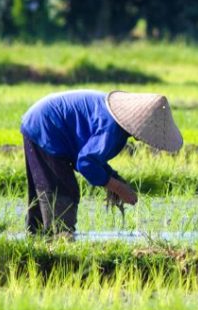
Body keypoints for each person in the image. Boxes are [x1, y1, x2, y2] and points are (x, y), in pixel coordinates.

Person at [19, 89, 183, 235]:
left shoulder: (116, 128)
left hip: (41, 120)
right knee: (60, 190)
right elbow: (85, 163)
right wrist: (118, 188)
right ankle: (61, 237)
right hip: (45, 126)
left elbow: (90, 158)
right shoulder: (112, 130)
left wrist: (114, 178)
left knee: (44, 190)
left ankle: (37, 238)